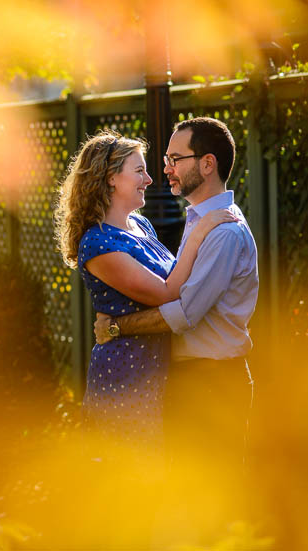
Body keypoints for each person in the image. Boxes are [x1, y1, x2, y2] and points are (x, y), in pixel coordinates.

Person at [93, 117, 258, 542]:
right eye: (162, 159)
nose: (164, 168)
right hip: (188, 381)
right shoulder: (200, 219)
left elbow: (185, 312)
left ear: (207, 164)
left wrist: (118, 327)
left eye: (173, 159)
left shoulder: (222, 230)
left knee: (212, 512)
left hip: (214, 382)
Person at [54, 130, 235, 447]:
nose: (150, 179)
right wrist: (200, 231)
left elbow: (178, 277)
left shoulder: (142, 225)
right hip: (126, 373)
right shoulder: (97, 244)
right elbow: (167, 292)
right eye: (139, 171)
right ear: (111, 178)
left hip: (159, 370)